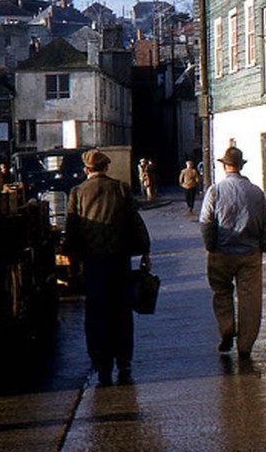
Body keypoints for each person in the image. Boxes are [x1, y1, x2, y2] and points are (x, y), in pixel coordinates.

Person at [64, 149, 151, 386]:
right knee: (121, 313)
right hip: (119, 262)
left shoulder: (77, 193)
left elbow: (72, 232)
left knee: (96, 315)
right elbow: (135, 223)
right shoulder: (121, 189)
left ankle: (102, 364)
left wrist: (72, 262)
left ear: (86, 170)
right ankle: (123, 361)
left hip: (93, 265)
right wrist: (145, 251)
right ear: (106, 167)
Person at [199, 142, 266, 359]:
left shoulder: (216, 191)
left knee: (221, 292)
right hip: (250, 253)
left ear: (224, 166)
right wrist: (263, 245)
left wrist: (210, 246)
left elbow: (206, 223)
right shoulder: (256, 193)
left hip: (221, 252)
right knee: (250, 299)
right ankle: (245, 345)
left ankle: (226, 328)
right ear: (241, 166)